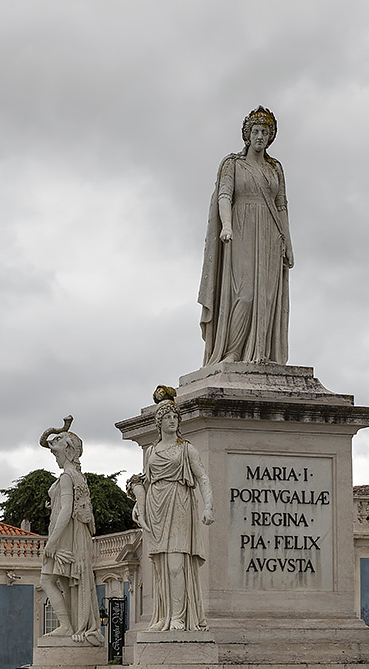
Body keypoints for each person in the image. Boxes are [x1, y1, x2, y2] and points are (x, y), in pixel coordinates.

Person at [198, 105, 294, 367]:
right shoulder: (232, 164)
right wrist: (226, 225)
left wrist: (289, 243)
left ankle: (263, 352)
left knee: (267, 297)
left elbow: (282, 205)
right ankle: (233, 351)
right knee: (245, 294)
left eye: (265, 132)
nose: (260, 136)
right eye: (256, 131)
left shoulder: (276, 169)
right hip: (240, 228)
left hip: (271, 234)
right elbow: (224, 195)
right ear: (247, 134)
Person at [129, 386, 215, 631]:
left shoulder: (186, 449)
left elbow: (203, 478)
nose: (172, 421)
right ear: (159, 423)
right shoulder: (152, 451)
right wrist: (138, 503)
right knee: (160, 565)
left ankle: (179, 616)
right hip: (157, 505)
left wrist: (208, 507)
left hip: (179, 501)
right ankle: (163, 616)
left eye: (175, 417)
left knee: (177, 562)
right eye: (167, 417)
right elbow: (144, 480)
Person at [37, 416, 102, 644]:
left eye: (56, 453)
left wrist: (51, 543)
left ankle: (65, 625)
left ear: (67, 450)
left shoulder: (66, 476)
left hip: (65, 537)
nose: (54, 458)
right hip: (73, 536)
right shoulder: (78, 476)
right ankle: (73, 625)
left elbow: (66, 511)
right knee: (66, 582)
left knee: (47, 579)